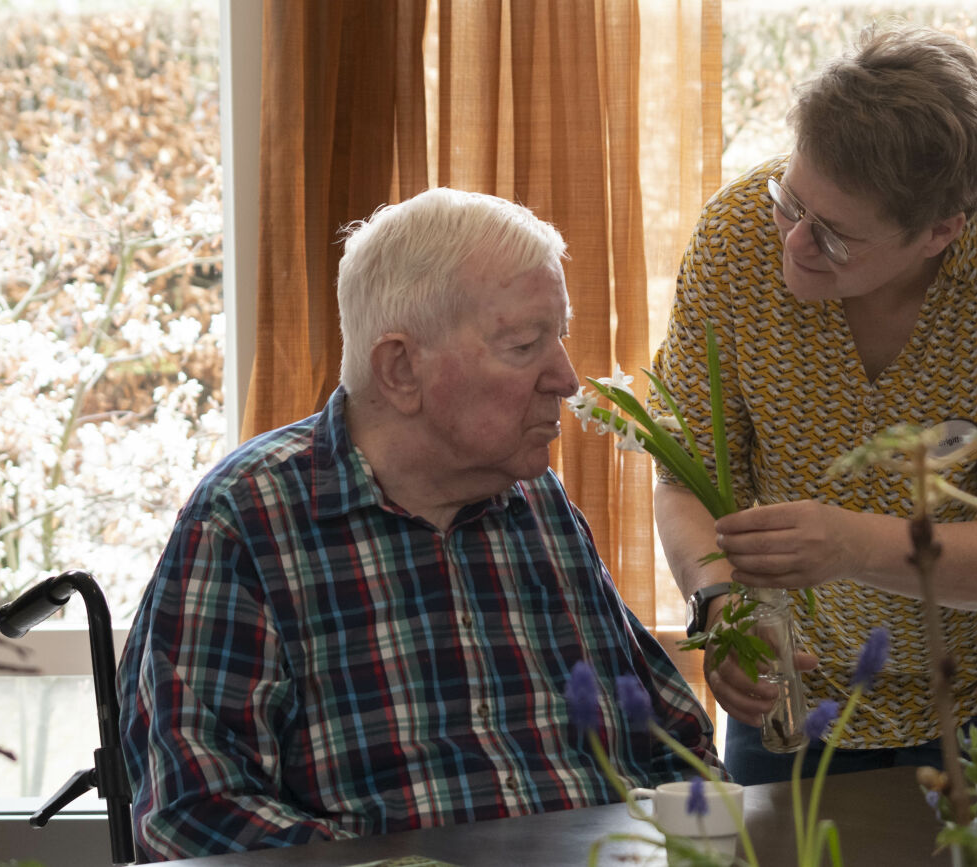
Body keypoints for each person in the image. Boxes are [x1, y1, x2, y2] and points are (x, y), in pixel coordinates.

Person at [117, 187, 723, 860]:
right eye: (525, 343)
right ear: (400, 368)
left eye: (561, 335)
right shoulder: (246, 518)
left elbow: (674, 740)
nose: (567, 377)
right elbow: (193, 811)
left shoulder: (539, 503)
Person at [652, 23, 977, 785]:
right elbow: (685, 476)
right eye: (789, 201)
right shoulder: (734, 238)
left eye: (834, 238)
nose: (793, 245)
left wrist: (850, 544)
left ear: (941, 231)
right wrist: (719, 604)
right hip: (803, 665)